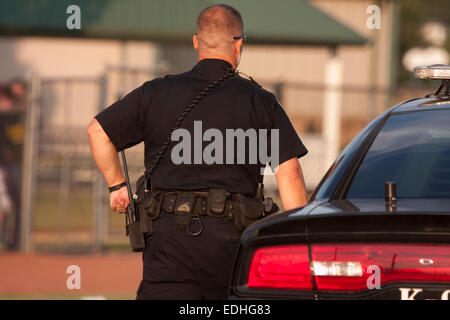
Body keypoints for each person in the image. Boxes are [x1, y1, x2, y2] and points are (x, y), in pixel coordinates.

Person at [88, 4, 308, 299]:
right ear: (239, 43)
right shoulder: (261, 102)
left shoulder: (155, 93)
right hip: (232, 243)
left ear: (196, 42)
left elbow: (97, 131)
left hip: (167, 243)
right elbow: (289, 173)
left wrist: (117, 186)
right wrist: (295, 241)